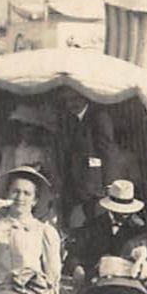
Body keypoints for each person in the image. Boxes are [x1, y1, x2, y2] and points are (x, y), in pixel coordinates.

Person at [0, 166, 64, 289]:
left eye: (27, 193)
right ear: (7, 194)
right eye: (15, 191)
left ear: (35, 200)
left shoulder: (44, 231)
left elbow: (53, 275)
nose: (20, 198)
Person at [66, 180, 146, 287]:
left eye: (127, 211)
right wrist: (77, 268)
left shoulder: (138, 228)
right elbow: (73, 255)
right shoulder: (92, 225)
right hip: (94, 284)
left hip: (127, 284)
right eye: (120, 210)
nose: (124, 215)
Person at [56, 89, 118, 229]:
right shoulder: (69, 119)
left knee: (94, 220)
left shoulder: (99, 118)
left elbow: (107, 152)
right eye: (68, 100)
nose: (72, 103)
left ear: (86, 98)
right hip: (72, 182)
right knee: (72, 221)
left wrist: (108, 183)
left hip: (93, 184)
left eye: (76, 99)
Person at [0, 103, 56, 189]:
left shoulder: (47, 153)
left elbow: (52, 179)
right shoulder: (9, 152)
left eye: (30, 126)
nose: (26, 130)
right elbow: (2, 179)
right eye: (22, 126)